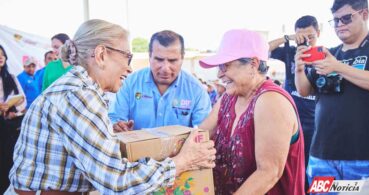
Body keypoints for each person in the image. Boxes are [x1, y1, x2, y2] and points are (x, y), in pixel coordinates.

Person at [8, 19, 216, 195]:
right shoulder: (78, 96)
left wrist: (107, 133)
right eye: (127, 57)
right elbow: (117, 181)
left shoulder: (80, 90)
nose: (129, 67)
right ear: (101, 55)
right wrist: (183, 161)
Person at [199, 29, 305, 195]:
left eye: (225, 66)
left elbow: (268, 173)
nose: (219, 74)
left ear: (253, 64)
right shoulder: (228, 98)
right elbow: (200, 136)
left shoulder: (271, 100)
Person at [295, 0, 369, 187]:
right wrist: (299, 69)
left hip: (364, 157)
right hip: (321, 157)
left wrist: (338, 67)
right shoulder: (328, 54)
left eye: (346, 18)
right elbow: (304, 90)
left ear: (364, 14)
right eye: (335, 20)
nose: (340, 24)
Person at [109, 30, 211, 131]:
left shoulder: (196, 90)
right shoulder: (130, 83)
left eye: (172, 60)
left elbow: (203, 132)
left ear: (182, 58)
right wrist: (119, 127)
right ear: (149, 56)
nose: (165, 68)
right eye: (159, 59)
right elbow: (115, 119)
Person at [269, 15, 319, 191]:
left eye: (310, 37)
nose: (305, 41)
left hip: (315, 124)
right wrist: (288, 39)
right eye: (301, 37)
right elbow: (263, 50)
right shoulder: (290, 52)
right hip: (290, 121)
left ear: (319, 34)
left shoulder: (326, 55)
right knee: (288, 167)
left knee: (313, 169)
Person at [0, 45, 26, 194]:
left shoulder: (11, 77)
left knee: (8, 161)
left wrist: (12, 111)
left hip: (8, 126)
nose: (1, 57)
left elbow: (22, 100)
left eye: (2, 54)